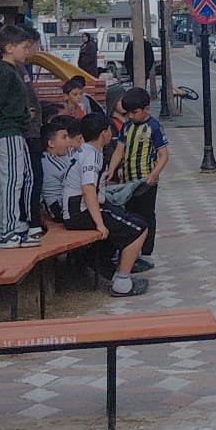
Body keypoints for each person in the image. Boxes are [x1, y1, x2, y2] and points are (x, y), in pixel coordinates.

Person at [59, 114, 151, 296]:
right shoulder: (90, 156)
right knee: (139, 228)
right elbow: (88, 189)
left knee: (127, 219)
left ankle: (110, 268)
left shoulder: (88, 151)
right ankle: (122, 284)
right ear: (104, 133)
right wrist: (100, 223)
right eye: (109, 130)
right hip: (80, 212)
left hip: (82, 209)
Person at [0, 23, 42, 250]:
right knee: (11, 181)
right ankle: (5, 232)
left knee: (16, 179)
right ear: (9, 47)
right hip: (7, 131)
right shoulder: (5, 73)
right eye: (23, 47)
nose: (27, 52)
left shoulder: (9, 71)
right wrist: (22, 113)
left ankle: (12, 227)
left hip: (14, 129)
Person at [107, 86, 168, 265]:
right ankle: (131, 251)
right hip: (128, 180)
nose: (131, 116)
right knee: (129, 215)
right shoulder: (126, 127)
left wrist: (154, 174)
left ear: (146, 109)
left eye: (134, 112)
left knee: (146, 214)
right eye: (129, 113)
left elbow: (163, 155)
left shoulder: (154, 127)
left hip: (146, 181)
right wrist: (112, 168)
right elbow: (120, 149)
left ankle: (145, 250)